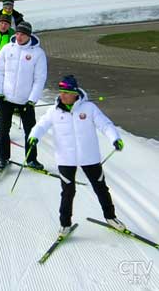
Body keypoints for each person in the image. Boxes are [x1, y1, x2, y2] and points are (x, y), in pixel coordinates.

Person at [29, 75, 126, 236]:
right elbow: (41, 125)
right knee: (68, 191)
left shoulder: (89, 109)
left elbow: (105, 124)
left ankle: (111, 218)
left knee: (100, 188)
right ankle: (65, 224)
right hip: (66, 158)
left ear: (75, 93)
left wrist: (115, 138)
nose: (63, 95)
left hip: (90, 157)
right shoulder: (54, 111)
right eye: (61, 92)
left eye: (67, 92)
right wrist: (34, 136)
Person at [0, 21, 47, 171]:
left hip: (25, 101)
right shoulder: (7, 49)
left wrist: (32, 100)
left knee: (30, 131)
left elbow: (39, 79)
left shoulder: (38, 54)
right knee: (3, 129)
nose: (19, 36)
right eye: (17, 33)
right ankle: (3, 158)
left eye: (22, 34)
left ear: (29, 35)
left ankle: (31, 159)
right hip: (6, 98)